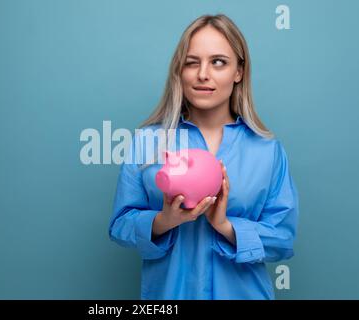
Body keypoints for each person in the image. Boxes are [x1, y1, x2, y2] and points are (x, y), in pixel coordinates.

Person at [108, 14, 299, 300]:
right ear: (179, 71)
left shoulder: (267, 150)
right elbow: (120, 225)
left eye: (218, 62)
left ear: (239, 72)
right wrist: (164, 220)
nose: (202, 74)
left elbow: (283, 239)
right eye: (192, 62)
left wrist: (225, 226)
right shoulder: (148, 142)